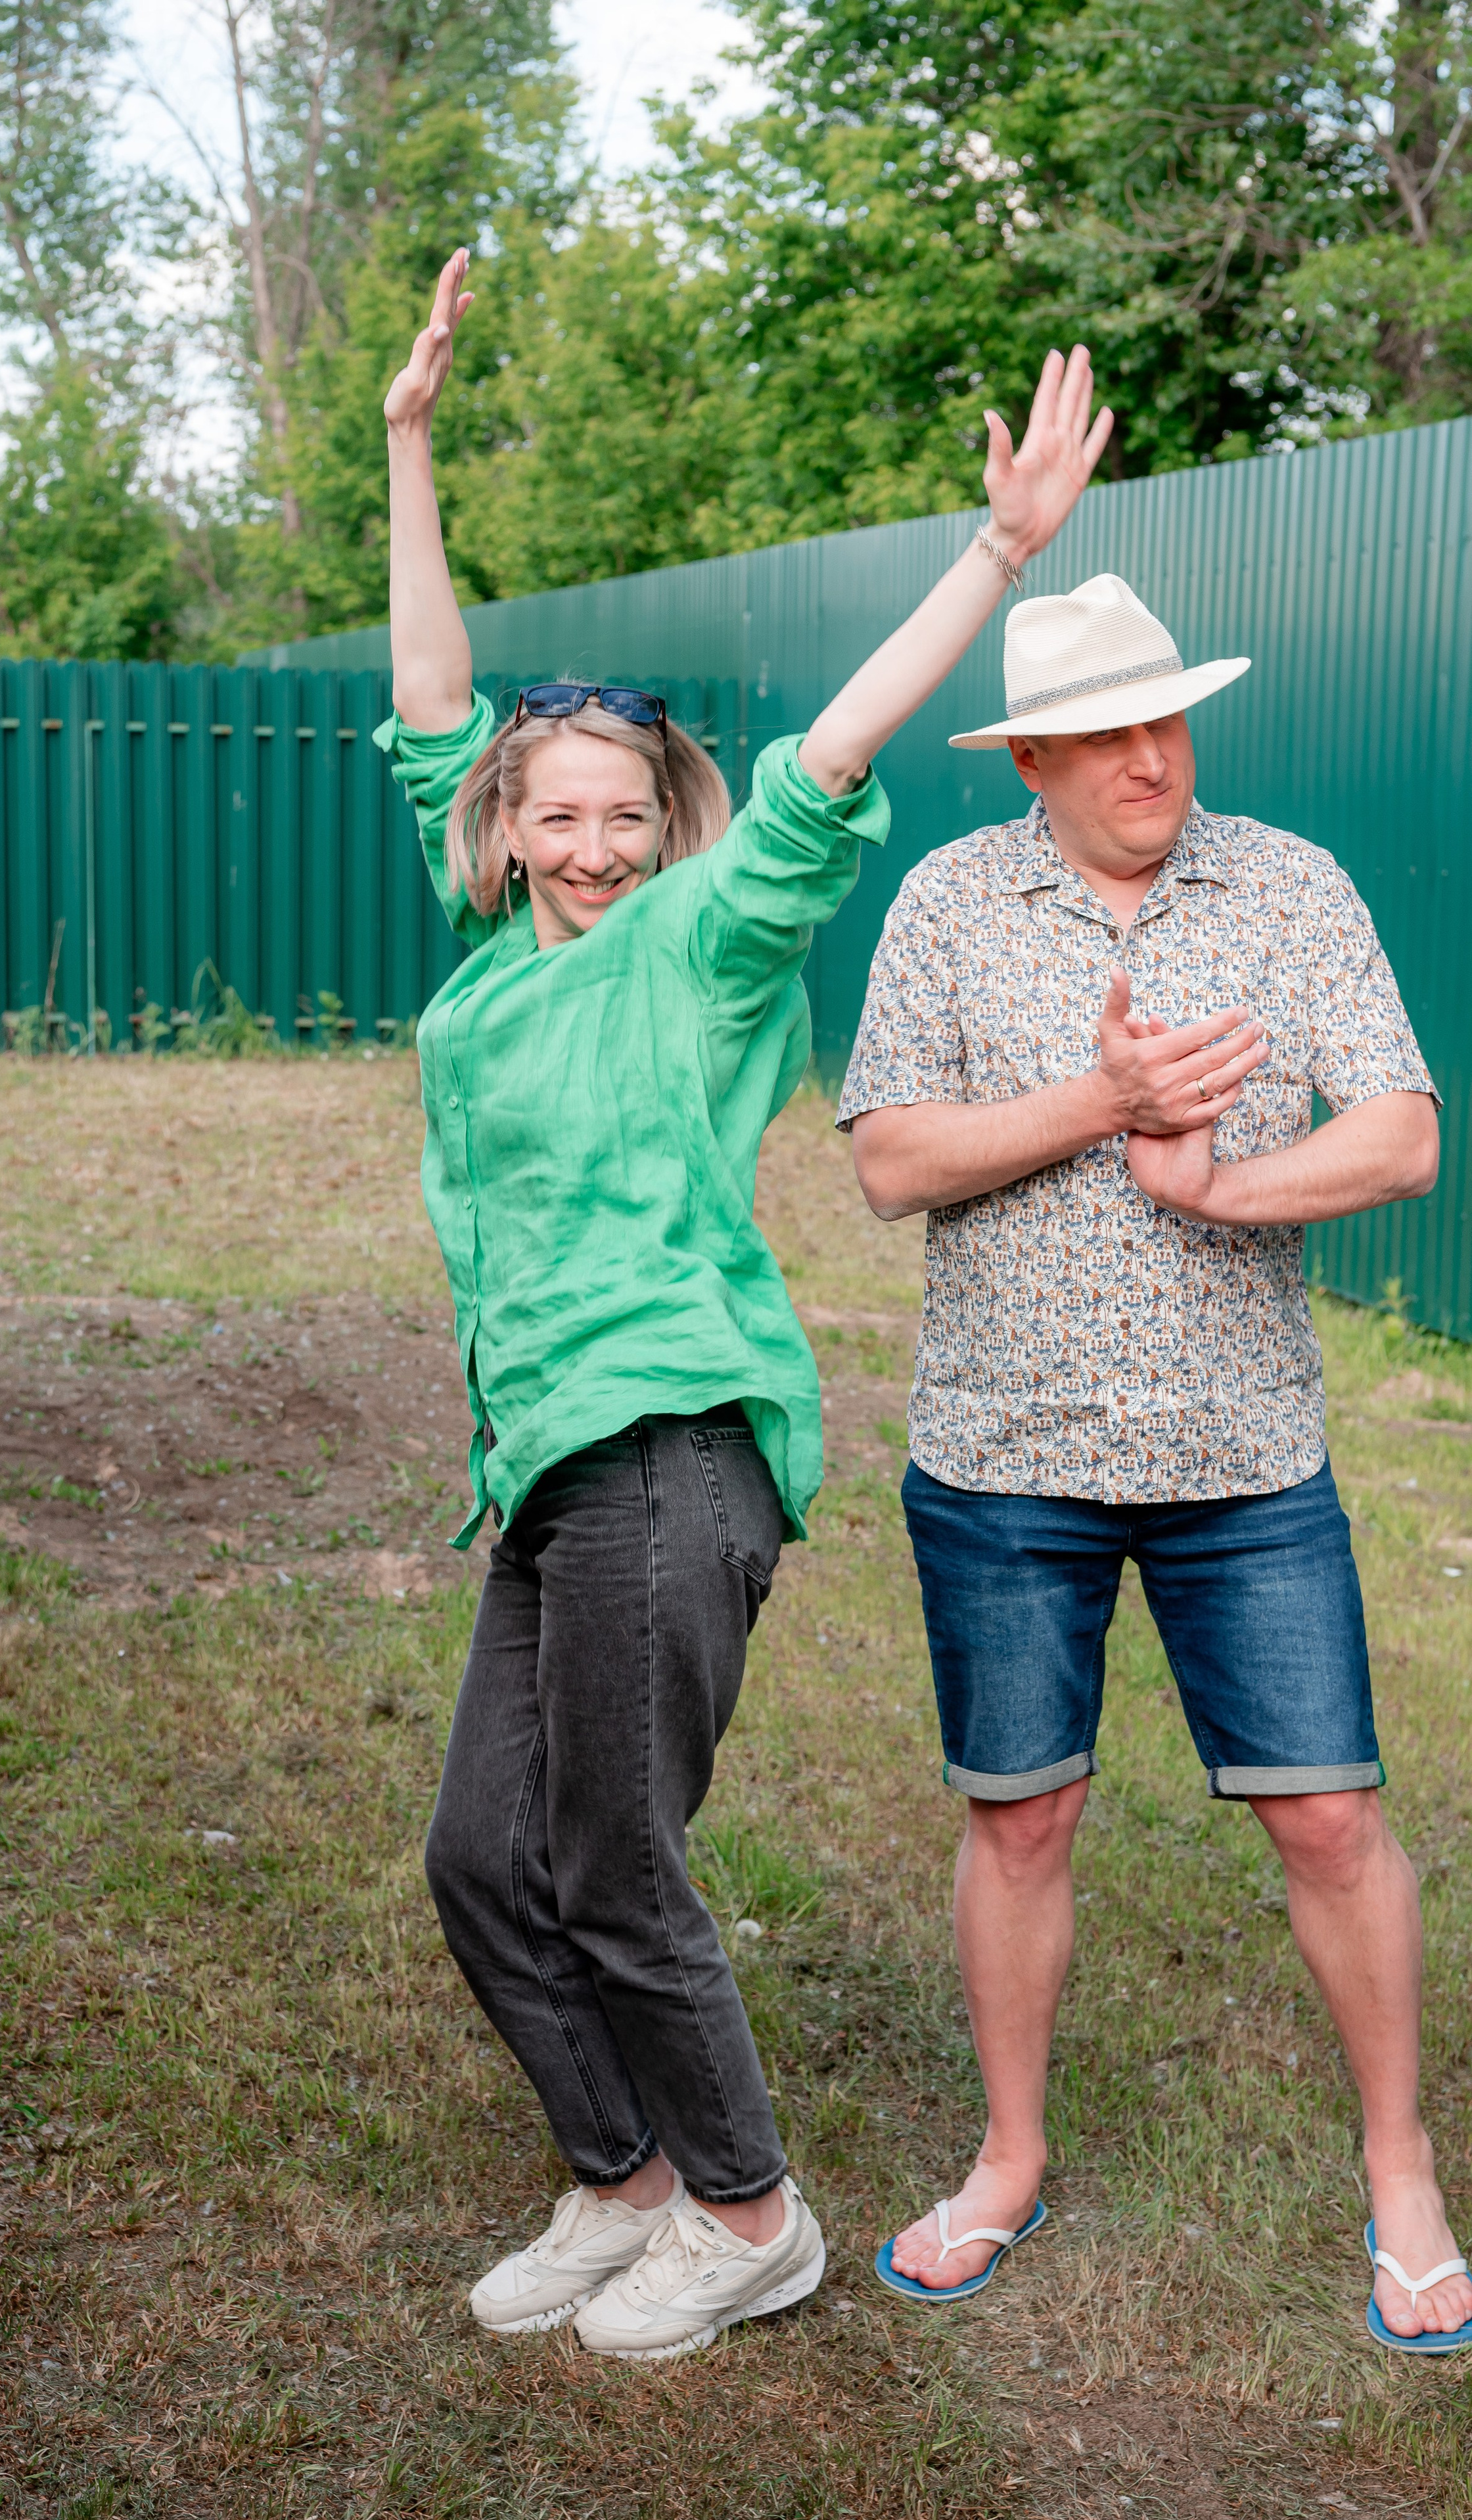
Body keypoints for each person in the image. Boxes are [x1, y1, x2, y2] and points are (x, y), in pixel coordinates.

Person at [377, 247, 1113, 2360]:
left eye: (627, 815)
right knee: (479, 1861)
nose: (593, 844)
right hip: (550, 1458)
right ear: (506, 839)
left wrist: (992, 556)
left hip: (678, 1436)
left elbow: (832, 757)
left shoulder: (706, 940)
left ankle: (750, 2208)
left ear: (663, 829)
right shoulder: (500, 956)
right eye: (556, 816)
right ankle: (622, 2180)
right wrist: (414, 447)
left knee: (612, 1859)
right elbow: (439, 704)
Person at [840, 570, 1472, 2354]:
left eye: (1168, 714)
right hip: (1004, 1451)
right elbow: (890, 1158)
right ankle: (1009, 2154)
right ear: (1030, 753)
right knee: (1020, 1812)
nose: (1151, 753)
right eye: (1108, 729)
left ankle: (1404, 2169)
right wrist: (1102, 1106)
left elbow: (1405, 1133)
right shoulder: (952, 904)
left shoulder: (1291, 885)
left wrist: (1221, 1187)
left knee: (1332, 1814)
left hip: (1242, 1453)